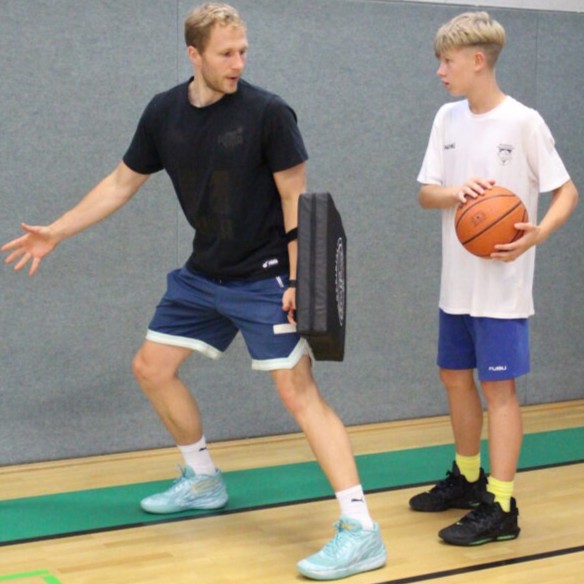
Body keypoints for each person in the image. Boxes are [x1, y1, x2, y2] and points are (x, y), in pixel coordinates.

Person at [1, 3, 386, 579]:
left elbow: (296, 198)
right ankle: (202, 478)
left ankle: (361, 530)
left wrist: (298, 279)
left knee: (298, 392)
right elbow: (120, 182)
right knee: (152, 368)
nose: (238, 63)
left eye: (243, 51)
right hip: (205, 273)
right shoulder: (164, 113)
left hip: (265, 277)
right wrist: (57, 230)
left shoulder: (268, 112)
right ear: (193, 54)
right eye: (226, 53)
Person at [413, 11, 578, 546]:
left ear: (478, 61)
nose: (440, 71)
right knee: (454, 377)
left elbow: (567, 191)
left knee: (499, 390)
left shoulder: (523, 122)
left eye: (448, 61)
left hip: (502, 291)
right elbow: (426, 194)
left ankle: (502, 505)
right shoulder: (446, 119)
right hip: (455, 286)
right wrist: (455, 192)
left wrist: (538, 234)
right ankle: (467, 478)